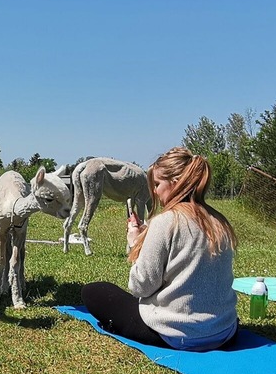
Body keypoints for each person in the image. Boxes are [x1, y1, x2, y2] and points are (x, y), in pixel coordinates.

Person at [80, 147, 238, 350]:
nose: (154, 191)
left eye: (157, 184)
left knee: (93, 292)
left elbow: (141, 287)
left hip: (178, 333)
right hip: (223, 331)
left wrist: (135, 243)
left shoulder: (166, 222)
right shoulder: (218, 221)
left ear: (175, 183)